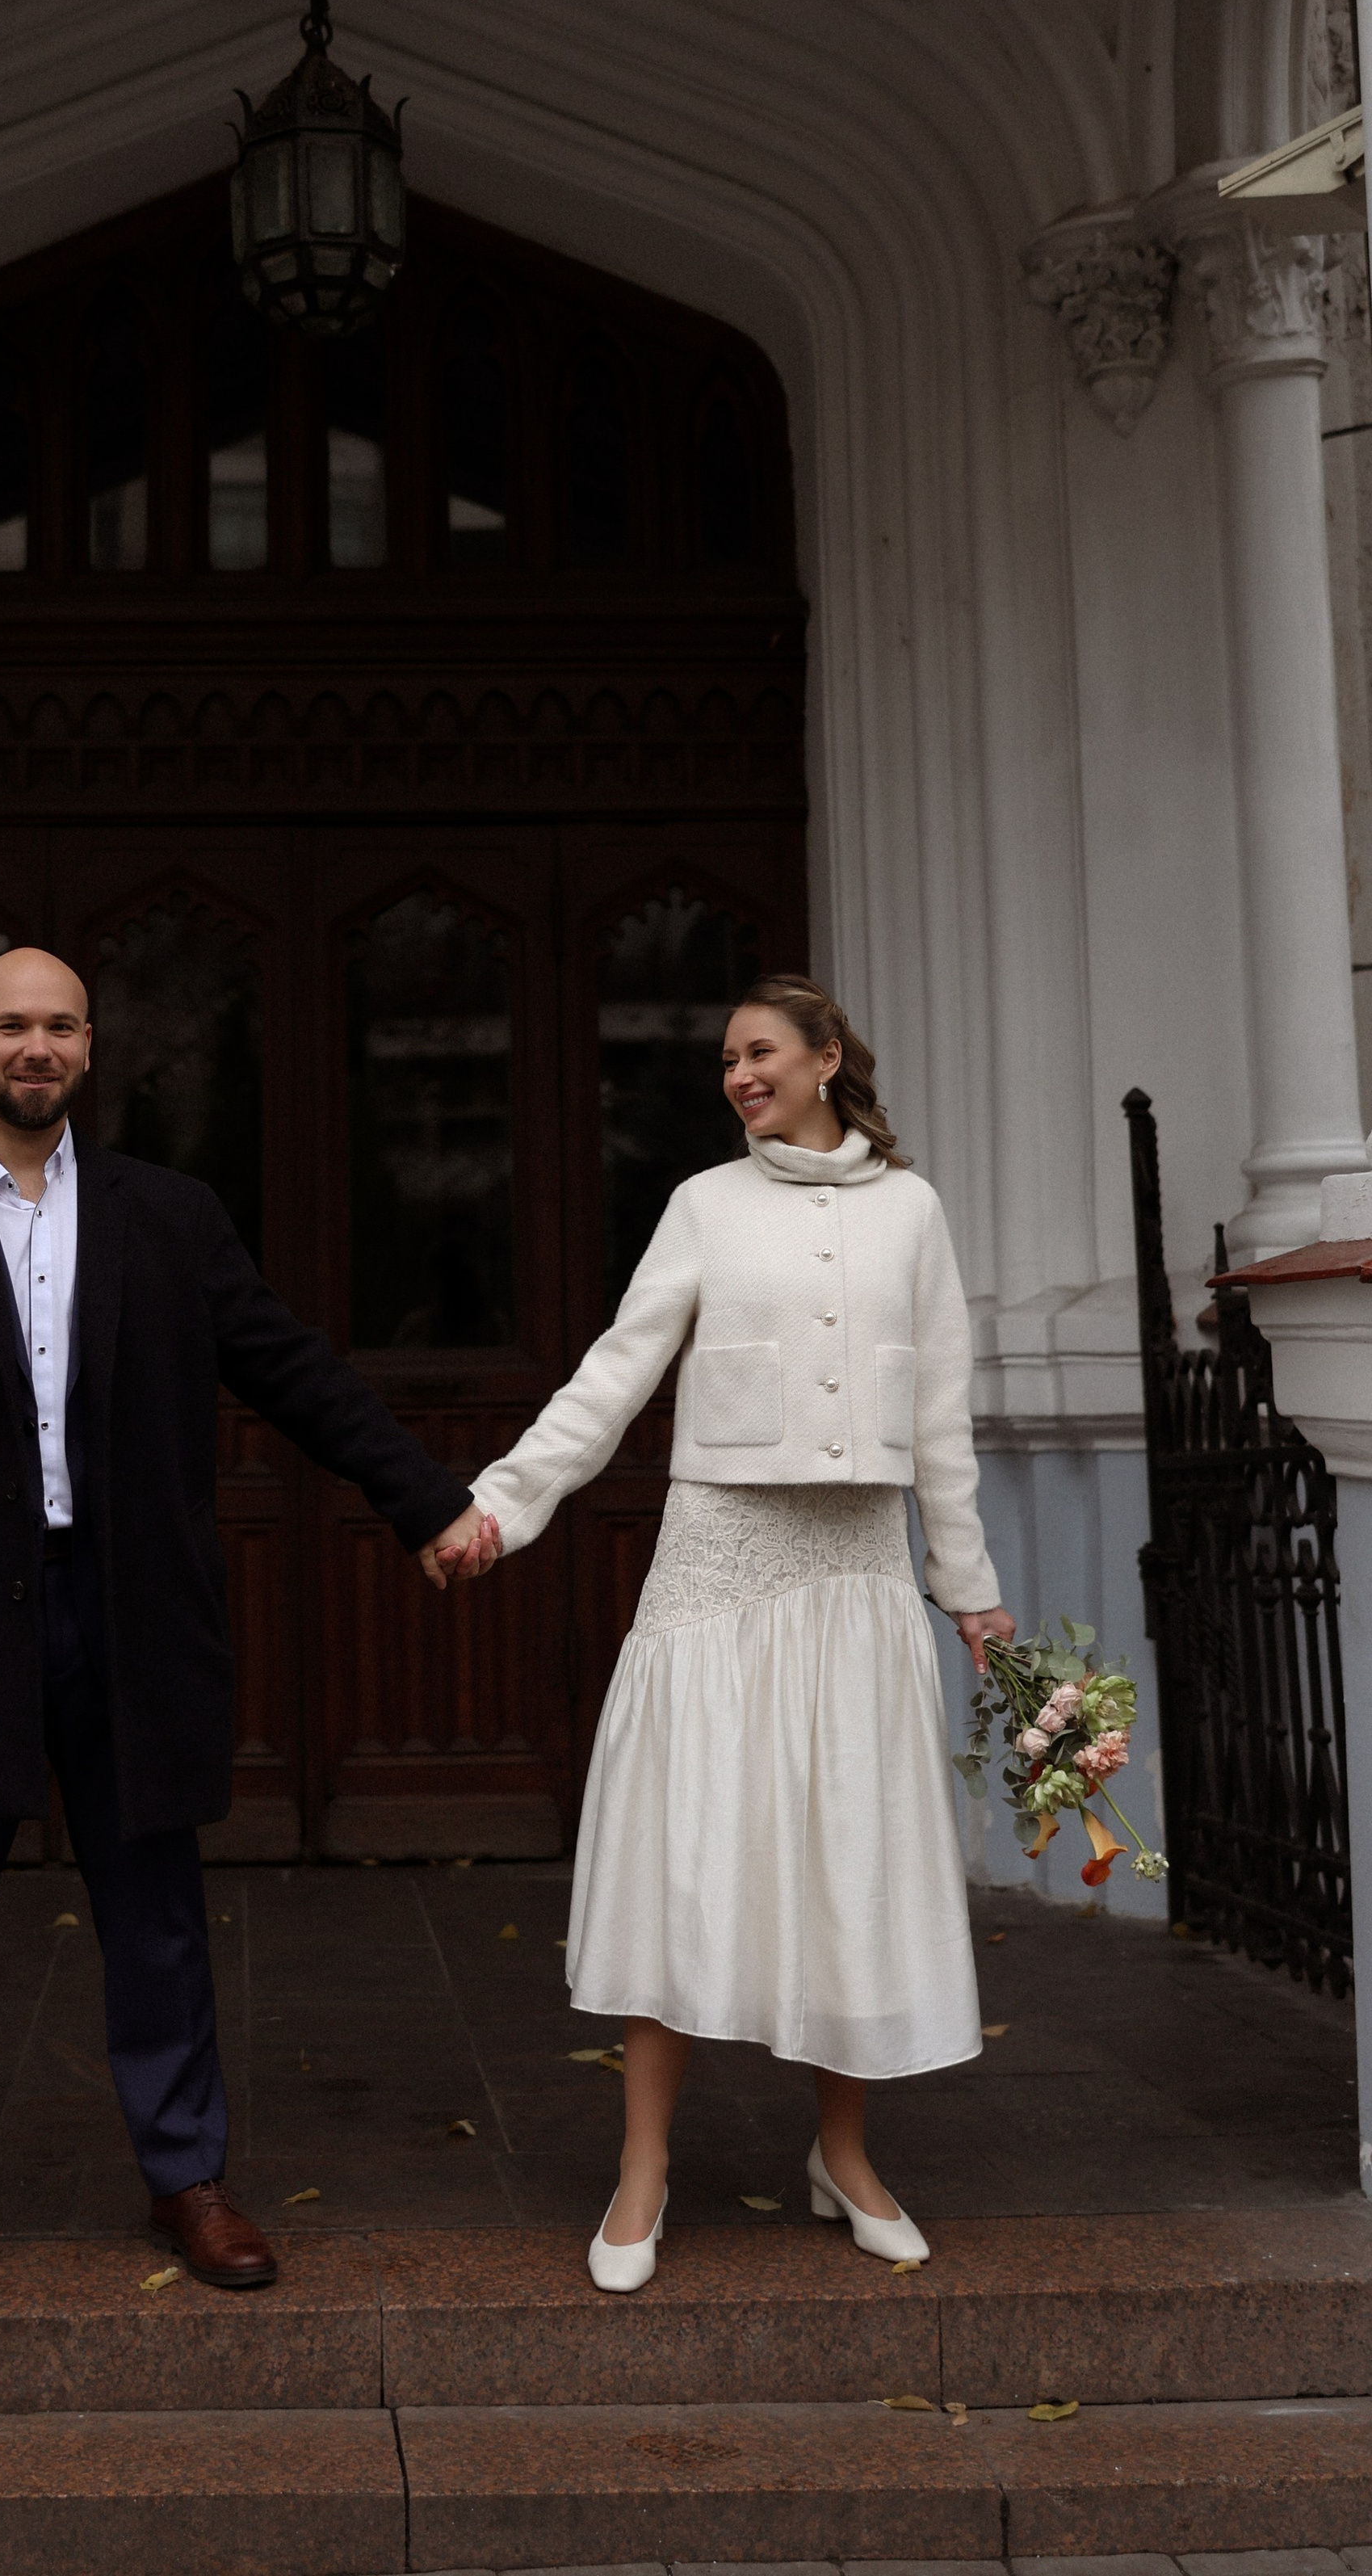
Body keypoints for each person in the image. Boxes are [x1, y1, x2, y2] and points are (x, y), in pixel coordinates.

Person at [0, 946, 494, 2312]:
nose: (34, 1047)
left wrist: (422, 1499)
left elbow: (288, 1364)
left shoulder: (170, 1216)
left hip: (129, 1616)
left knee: (157, 1918)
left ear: (91, 1049)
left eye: (58, 1026)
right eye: (10, 1026)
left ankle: (188, 2178)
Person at [439, 974, 1011, 2290]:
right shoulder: (705, 1203)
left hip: (858, 1566)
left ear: (825, 1059)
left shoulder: (914, 1212)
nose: (738, 1074)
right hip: (719, 1557)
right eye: (726, 1059)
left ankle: (845, 2157)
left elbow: (942, 1418)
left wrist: (969, 1591)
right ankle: (642, 2168)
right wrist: (498, 1505)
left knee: (851, 1851)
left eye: (760, 1052)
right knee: (682, 1850)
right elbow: (616, 1369)